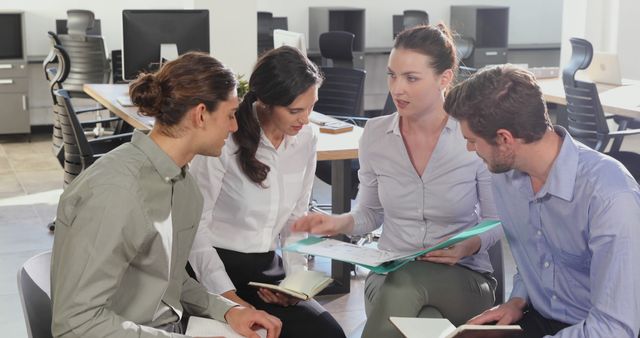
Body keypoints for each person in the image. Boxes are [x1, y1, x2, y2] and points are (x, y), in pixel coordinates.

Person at [50, 52, 282, 338]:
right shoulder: (115, 193)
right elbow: (76, 323)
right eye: (230, 115)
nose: (235, 127)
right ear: (200, 115)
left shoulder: (183, 184)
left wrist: (228, 310)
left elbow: (170, 281)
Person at [292, 25, 501, 338]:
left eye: (411, 78)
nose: (397, 89)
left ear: (444, 78)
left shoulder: (472, 137)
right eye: (392, 75)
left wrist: (468, 245)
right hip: (389, 272)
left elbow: (497, 219)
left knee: (406, 292)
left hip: (463, 277)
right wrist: (338, 223)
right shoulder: (376, 135)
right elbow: (370, 214)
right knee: (421, 318)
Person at [444, 64, 640, 337]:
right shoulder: (504, 177)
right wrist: (518, 299)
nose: (469, 149)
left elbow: (615, 327)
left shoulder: (610, 196)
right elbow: (537, 255)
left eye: (473, 141)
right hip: (539, 318)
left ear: (504, 139)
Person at [188, 46, 345, 338]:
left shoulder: (307, 137)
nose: (306, 119)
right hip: (213, 267)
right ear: (266, 102)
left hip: (266, 272)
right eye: (296, 110)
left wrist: (295, 285)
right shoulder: (224, 139)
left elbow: (296, 220)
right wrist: (232, 302)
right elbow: (195, 231)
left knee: (329, 334)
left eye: (311, 107)